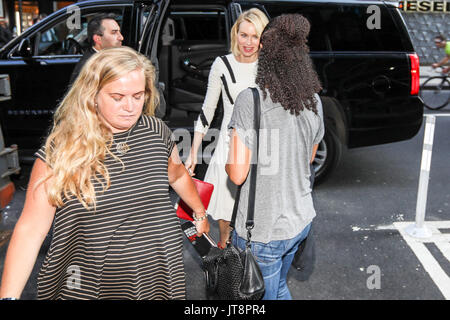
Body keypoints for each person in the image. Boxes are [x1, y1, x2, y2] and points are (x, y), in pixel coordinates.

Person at [0, 46, 209, 300]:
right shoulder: (64, 148)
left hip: (158, 276)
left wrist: (199, 212)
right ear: (92, 94)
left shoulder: (157, 131)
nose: (130, 107)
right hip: (89, 284)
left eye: (138, 95)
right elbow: (31, 229)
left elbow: (176, 174)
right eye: (118, 97)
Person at [225, 14, 324, 300]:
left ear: (266, 53)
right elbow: (308, 158)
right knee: (278, 287)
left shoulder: (250, 100)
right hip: (300, 220)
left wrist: (233, 138)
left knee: (262, 296)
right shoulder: (313, 100)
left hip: (264, 230)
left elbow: (237, 174)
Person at [184, 8, 269, 248]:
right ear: (236, 34)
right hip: (229, 143)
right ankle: (225, 254)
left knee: (256, 209)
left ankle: (250, 258)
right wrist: (193, 152)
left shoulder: (269, 67)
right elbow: (207, 110)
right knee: (226, 210)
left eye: (255, 36)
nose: (249, 42)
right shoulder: (222, 64)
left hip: (262, 142)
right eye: (244, 35)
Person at [69, 13, 123, 84]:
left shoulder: (104, 58)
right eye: (114, 33)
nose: (121, 37)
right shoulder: (90, 68)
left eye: (119, 32)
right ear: (98, 39)